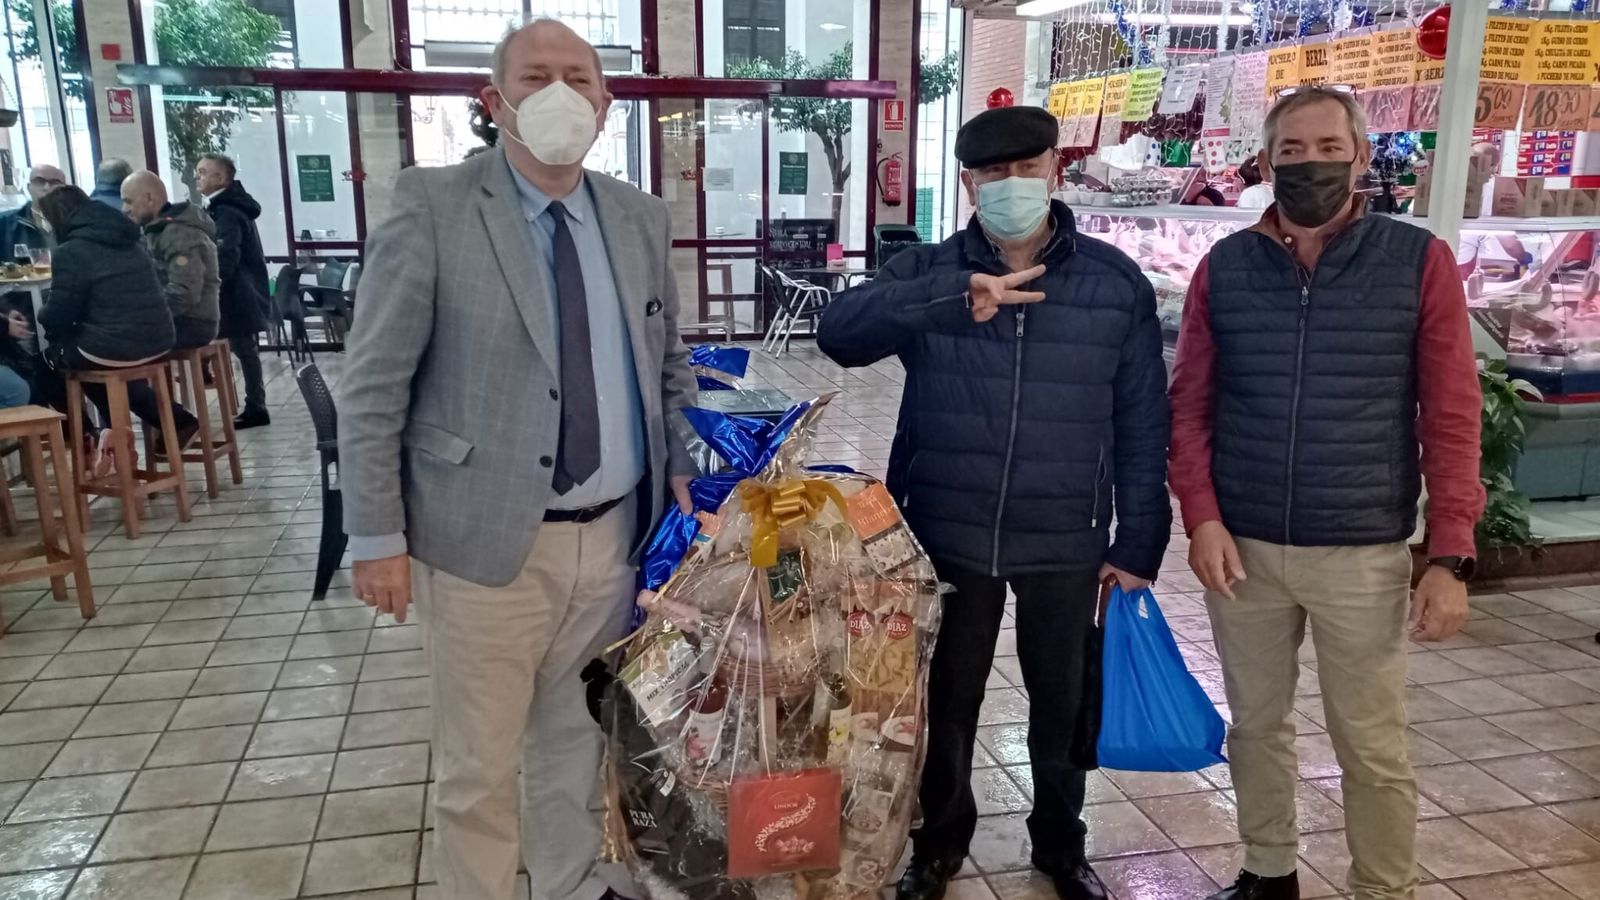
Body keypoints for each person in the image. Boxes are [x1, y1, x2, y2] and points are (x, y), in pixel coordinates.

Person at [339, 19, 698, 900]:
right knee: (479, 765)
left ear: (607, 104)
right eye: (536, 76)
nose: (561, 93)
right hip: (486, 542)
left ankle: (573, 885)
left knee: (577, 742)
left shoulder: (639, 216)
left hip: (617, 537)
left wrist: (689, 469)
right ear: (494, 101)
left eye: (580, 76)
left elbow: (669, 365)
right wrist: (376, 533)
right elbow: (374, 382)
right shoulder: (434, 205)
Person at [817, 105, 1172, 900]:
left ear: (1056, 170)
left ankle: (1059, 845)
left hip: (1068, 533)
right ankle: (938, 845)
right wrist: (946, 297)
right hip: (948, 527)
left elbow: (1145, 421)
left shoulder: (1114, 285)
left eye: (1029, 168)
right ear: (971, 184)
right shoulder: (930, 272)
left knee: (1062, 698)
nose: (1014, 185)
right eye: (994, 174)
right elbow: (838, 335)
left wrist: (1140, 537)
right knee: (948, 699)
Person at [1167, 87, 1484, 900]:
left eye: (1328, 147)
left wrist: (1449, 552)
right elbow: (1191, 406)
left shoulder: (1417, 261)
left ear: (1361, 156)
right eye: (1293, 151)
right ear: (1267, 162)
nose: (1311, 164)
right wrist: (1200, 516)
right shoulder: (1225, 268)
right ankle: (1267, 872)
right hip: (1245, 551)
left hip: (1362, 551)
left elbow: (1450, 415)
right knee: (1257, 728)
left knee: (1372, 746)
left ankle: (1384, 888)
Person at [31, 185, 198, 457]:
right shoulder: (128, 238)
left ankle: (87, 441)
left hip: (116, 345)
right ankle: (168, 424)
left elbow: (61, 312)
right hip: (159, 337)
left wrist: (42, 317)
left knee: (47, 363)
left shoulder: (71, 251)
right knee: (92, 367)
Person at [194, 153, 271, 429]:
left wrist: (208, 283)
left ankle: (256, 407)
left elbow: (226, 256)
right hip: (239, 291)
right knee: (244, 349)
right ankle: (254, 404)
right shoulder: (222, 206)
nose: (197, 177)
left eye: (203, 172)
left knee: (244, 350)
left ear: (221, 178)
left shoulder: (227, 211)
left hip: (239, 293)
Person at [122, 170, 221, 351]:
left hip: (192, 323)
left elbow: (184, 293)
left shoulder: (178, 233)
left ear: (150, 198)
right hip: (186, 320)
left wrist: (144, 313)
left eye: (128, 201)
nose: (124, 209)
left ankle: (149, 380)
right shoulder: (160, 230)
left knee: (117, 344)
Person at [0, 165, 65, 258]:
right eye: (39, 181)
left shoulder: (79, 223)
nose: (46, 187)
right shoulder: (4, 224)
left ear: (65, 189)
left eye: (55, 182)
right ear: (28, 187)